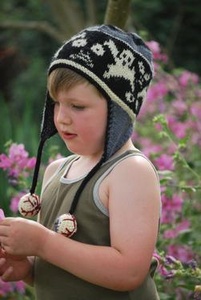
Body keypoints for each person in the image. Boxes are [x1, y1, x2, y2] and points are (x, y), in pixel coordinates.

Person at [0, 24, 161, 299]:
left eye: (77, 106)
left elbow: (129, 272)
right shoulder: (55, 171)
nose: (61, 117)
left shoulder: (129, 172)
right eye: (56, 103)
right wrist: (26, 269)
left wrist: (42, 242)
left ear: (118, 112)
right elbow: (64, 270)